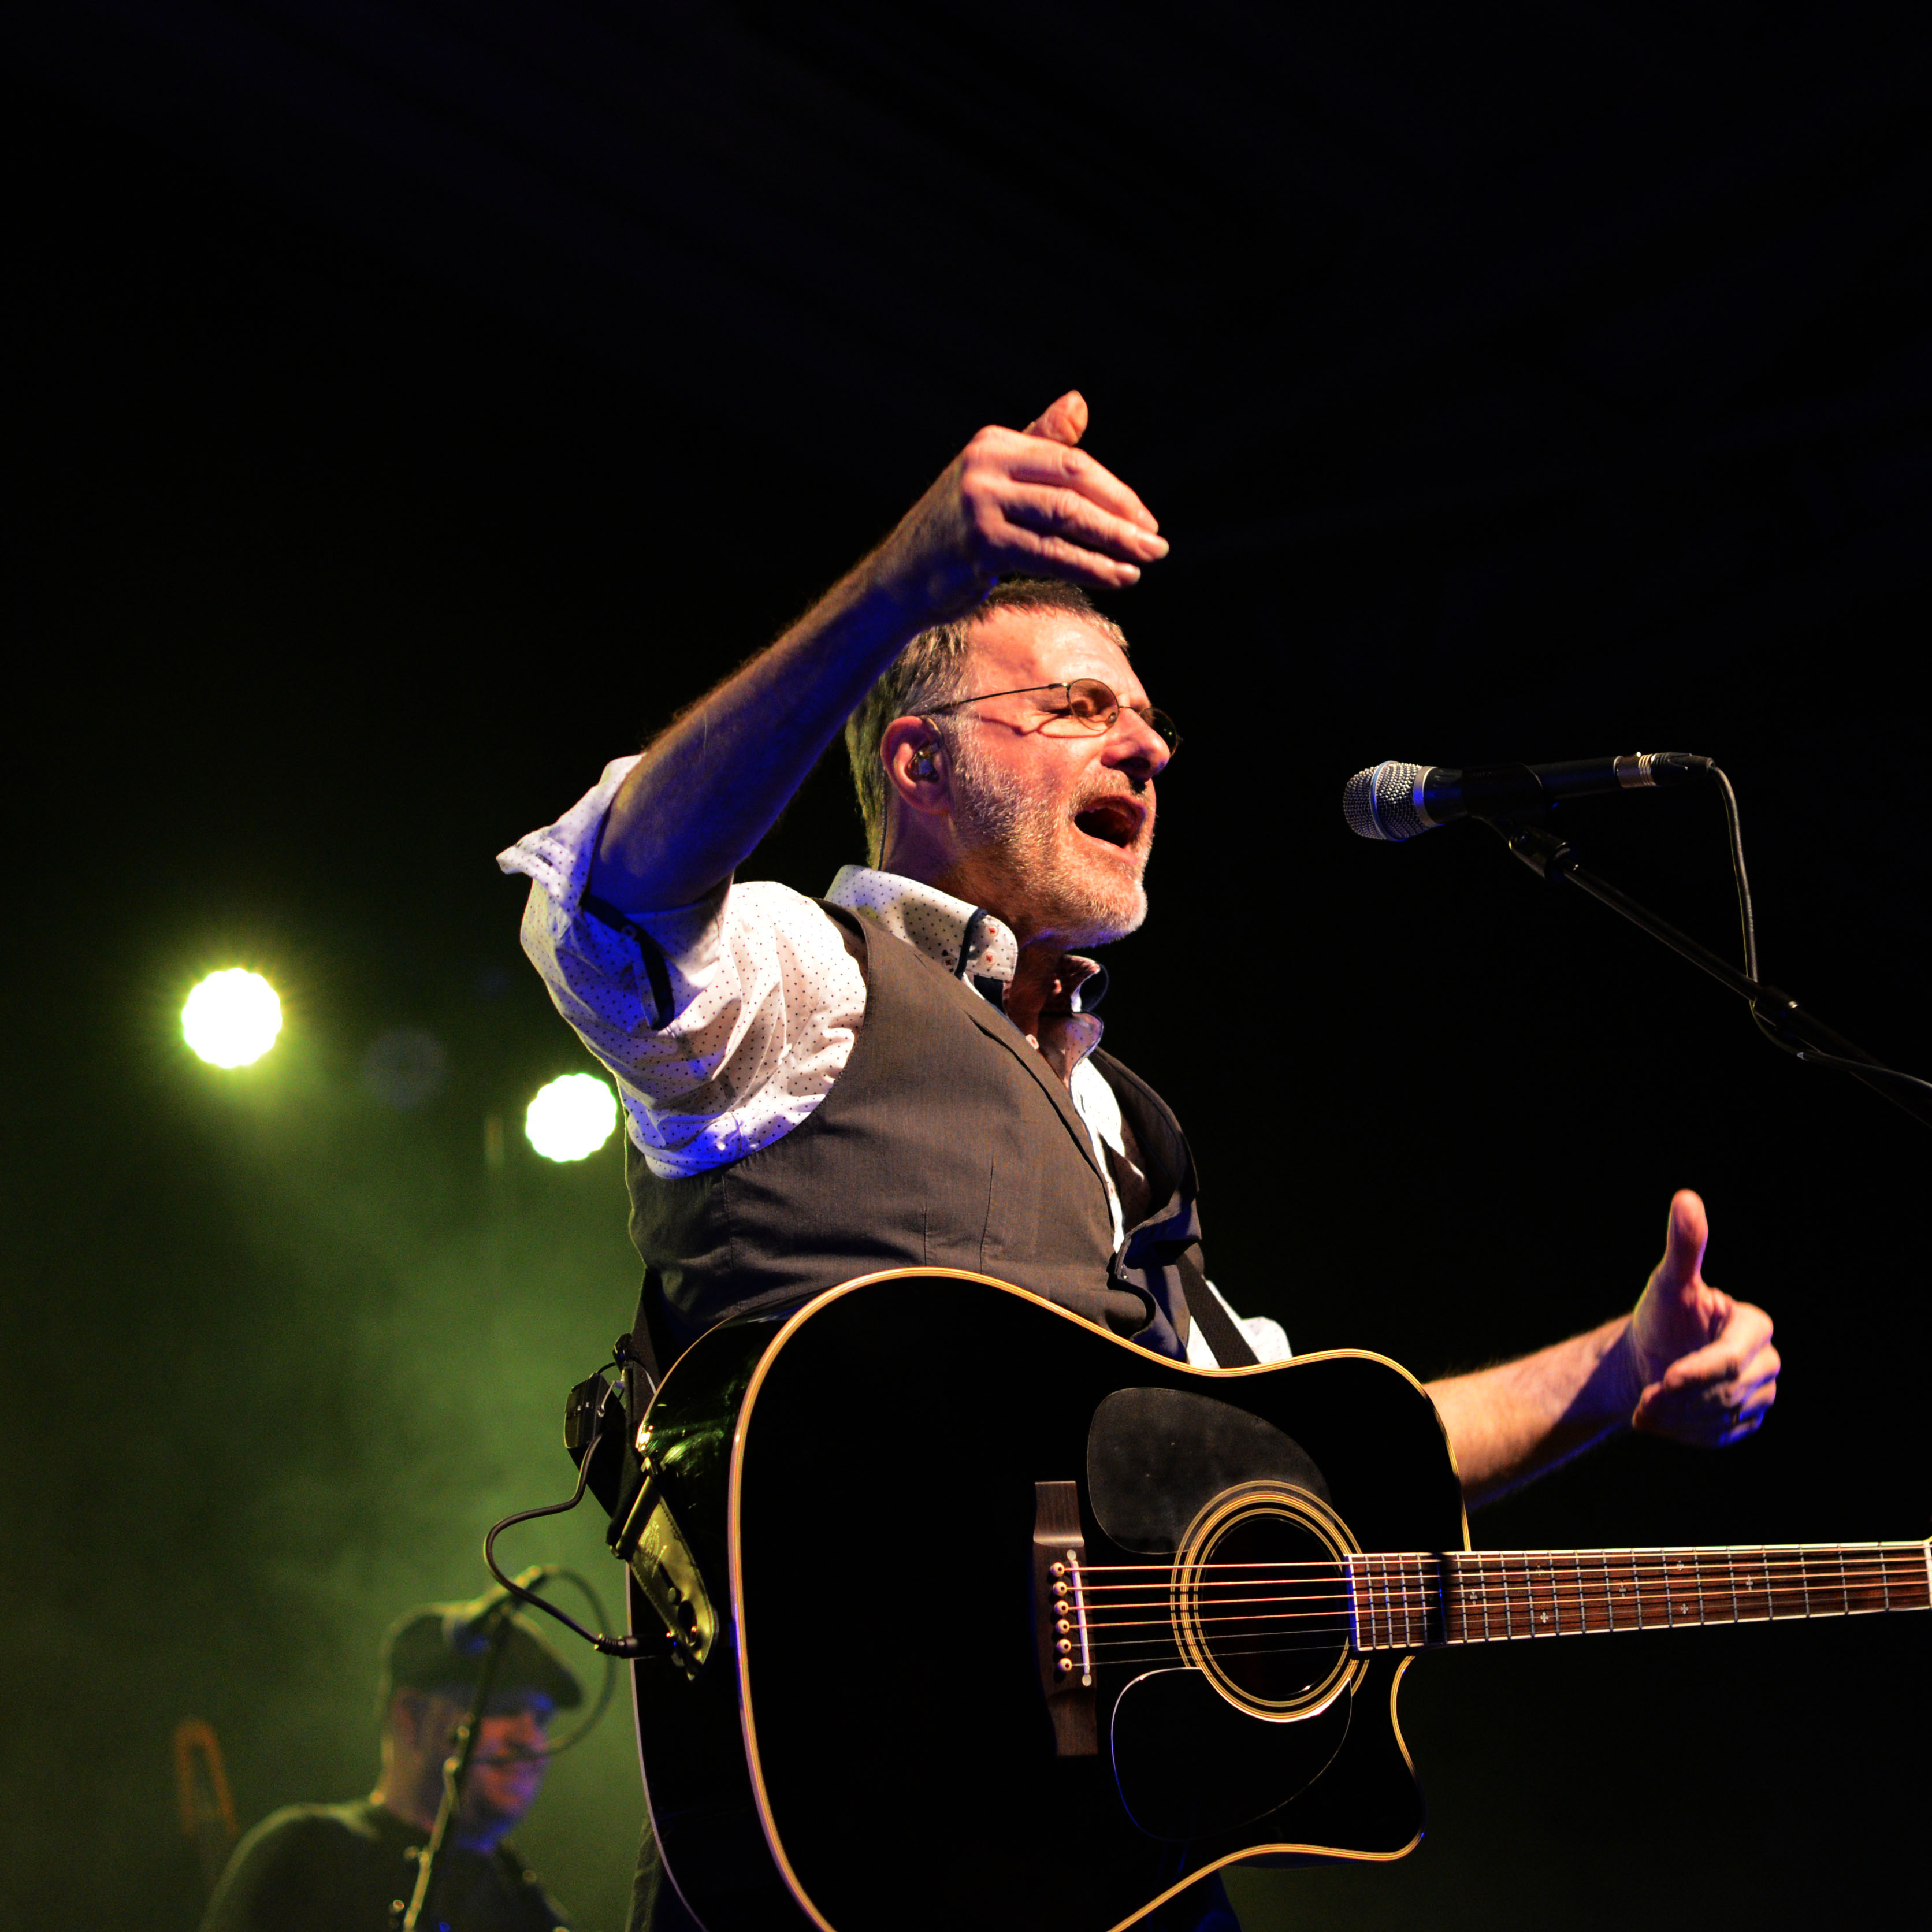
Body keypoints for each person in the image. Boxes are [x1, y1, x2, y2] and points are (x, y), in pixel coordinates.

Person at [498, 392, 1781, 1929]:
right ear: (918, 763)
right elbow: (620, 899)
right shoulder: (809, 979)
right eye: (1077, 707)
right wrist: (899, 585)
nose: (1151, 746)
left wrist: (1618, 1373)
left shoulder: (1132, 1129)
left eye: (1149, 718)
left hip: (1106, 1874)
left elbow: (1327, 1450)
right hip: (852, 1854)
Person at [200, 1602, 579, 1932]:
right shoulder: (310, 1854)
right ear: (410, 1715)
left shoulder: (531, 1912)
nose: (531, 1740)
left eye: (542, 1720)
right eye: (504, 1707)